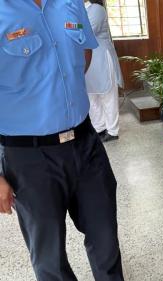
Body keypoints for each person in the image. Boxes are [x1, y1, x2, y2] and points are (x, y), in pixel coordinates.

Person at [0, 1, 124, 280]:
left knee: (105, 238)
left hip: (85, 142)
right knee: (49, 257)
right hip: (28, 156)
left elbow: (84, 55)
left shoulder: (70, 3)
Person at [84, 0, 124, 142]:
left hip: (100, 58)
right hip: (86, 60)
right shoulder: (77, 10)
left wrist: (68, 26)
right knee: (92, 96)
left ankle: (113, 131)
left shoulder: (96, 9)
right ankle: (99, 128)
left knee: (108, 96)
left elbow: (86, 31)